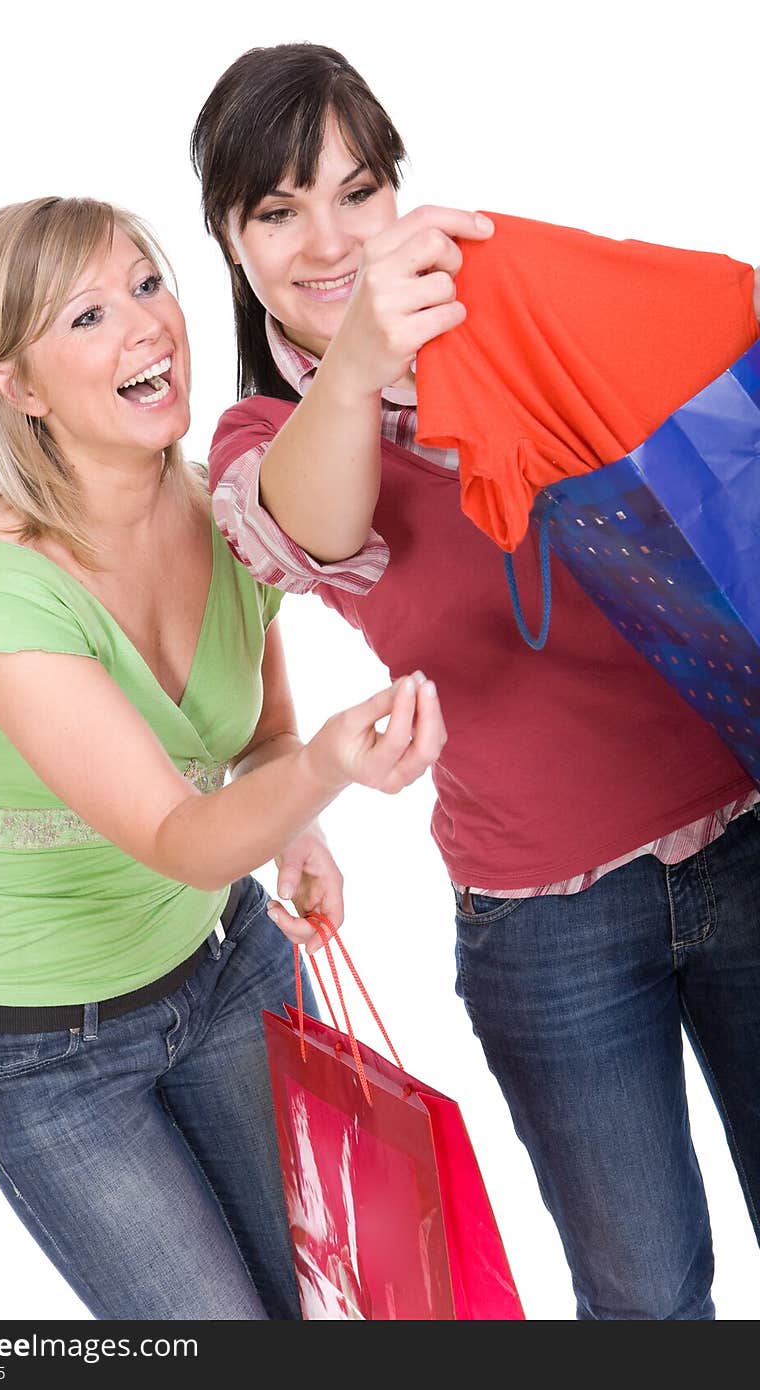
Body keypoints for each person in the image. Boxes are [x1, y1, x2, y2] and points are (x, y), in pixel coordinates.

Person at [191, 43, 760, 1320]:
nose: (327, 239)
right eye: (276, 211)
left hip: (746, 837)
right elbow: (321, 526)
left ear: (401, 194)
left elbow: (717, 354)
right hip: (545, 925)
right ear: (230, 242)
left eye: (355, 191)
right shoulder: (258, 445)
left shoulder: (516, 311)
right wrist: (365, 355)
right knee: (645, 1302)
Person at [0, 196, 445, 1321]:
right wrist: (334, 766)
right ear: (18, 385)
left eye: (149, 285)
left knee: (327, 1304)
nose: (147, 326)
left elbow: (258, 739)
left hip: (225, 965)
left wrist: (293, 818)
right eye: (89, 314)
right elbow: (176, 837)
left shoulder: (217, 511)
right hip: (49, 1056)